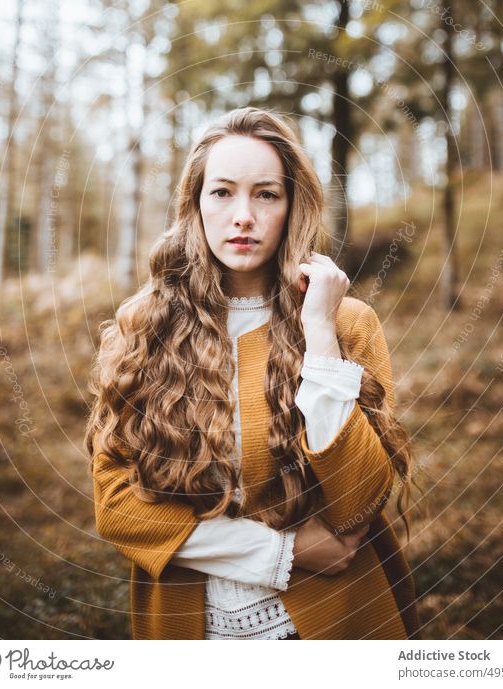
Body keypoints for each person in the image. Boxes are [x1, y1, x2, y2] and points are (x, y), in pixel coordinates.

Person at [85, 106, 420, 640]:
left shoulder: (345, 322)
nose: (244, 215)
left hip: (331, 625)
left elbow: (359, 499)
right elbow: (118, 508)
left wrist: (321, 339)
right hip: (190, 629)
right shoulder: (143, 325)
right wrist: (280, 551)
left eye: (266, 193)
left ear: (292, 206)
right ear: (195, 205)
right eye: (222, 192)